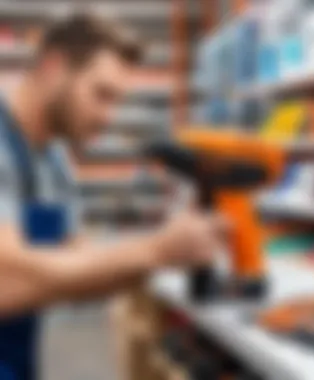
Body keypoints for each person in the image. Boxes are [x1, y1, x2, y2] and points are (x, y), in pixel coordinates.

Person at [0, 14, 229, 380]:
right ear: (53, 67)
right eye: (101, 94)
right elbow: (6, 281)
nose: (108, 117)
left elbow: (77, 271)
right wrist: (156, 250)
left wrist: (169, 256)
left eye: (117, 101)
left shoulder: (55, 162)